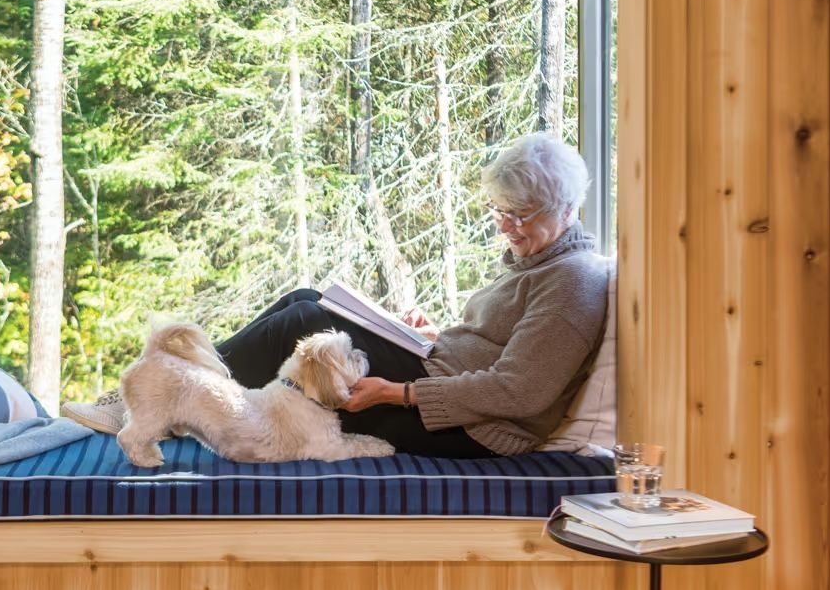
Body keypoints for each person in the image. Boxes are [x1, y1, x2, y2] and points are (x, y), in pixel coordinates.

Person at [65, 132, 611, 457]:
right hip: (440, 376)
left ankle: (159, 395)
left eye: (521, 216)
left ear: (567, 208)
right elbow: (499, 345)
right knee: (306, 297)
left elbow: (520, 392)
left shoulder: (573, 282)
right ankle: (168, 394)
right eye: (500, 212)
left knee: (302, 319)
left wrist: (396, 394)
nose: (507, 227)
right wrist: (430, 336)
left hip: (473, 428)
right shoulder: (540, 261)